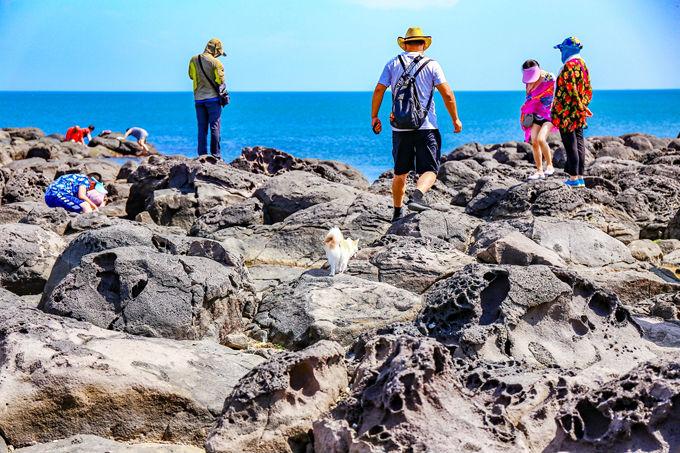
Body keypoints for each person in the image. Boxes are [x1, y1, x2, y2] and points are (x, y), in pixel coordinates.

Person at [371, 27, 462, 222]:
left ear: (405, 44)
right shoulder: (432, 65)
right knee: (430, 170)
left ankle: (397, 212)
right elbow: (446, 94)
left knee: (400, 172)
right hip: (426, 126)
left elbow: (379, 90)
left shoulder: (392, 63)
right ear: (423, 45)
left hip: (400, 127)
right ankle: (417, 195)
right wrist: (455, 118)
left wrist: (374, 117)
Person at [551, 37, 592, 188]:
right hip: (578, 112)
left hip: (567, 112)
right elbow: (588, 88)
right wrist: (584, 105)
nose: (561, 52)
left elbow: (571, 90)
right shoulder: (583, 64)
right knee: (579, 142)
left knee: (571, 144)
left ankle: (574, 178)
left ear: (567, 50)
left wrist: (579, 106)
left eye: (562, 49)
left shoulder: (569, 66)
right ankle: (580, 177)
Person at [188, 38, 226, 159]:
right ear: (216, 49)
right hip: (213, 99)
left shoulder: (194, 59)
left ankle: (202, 155)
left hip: (198, 99)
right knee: (214, 126)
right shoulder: (216, 63)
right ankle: (215, 155)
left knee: (201, 128)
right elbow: (220, 80)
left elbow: (190, 76)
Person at [520, 60, 556, 180]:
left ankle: (550, 166)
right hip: (535, 116)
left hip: (549, 115)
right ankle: (539, 171)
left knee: (541, 139)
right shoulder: (528, 83)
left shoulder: (550, 78)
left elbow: (557, 93)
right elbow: (530, 99)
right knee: (534, 142)